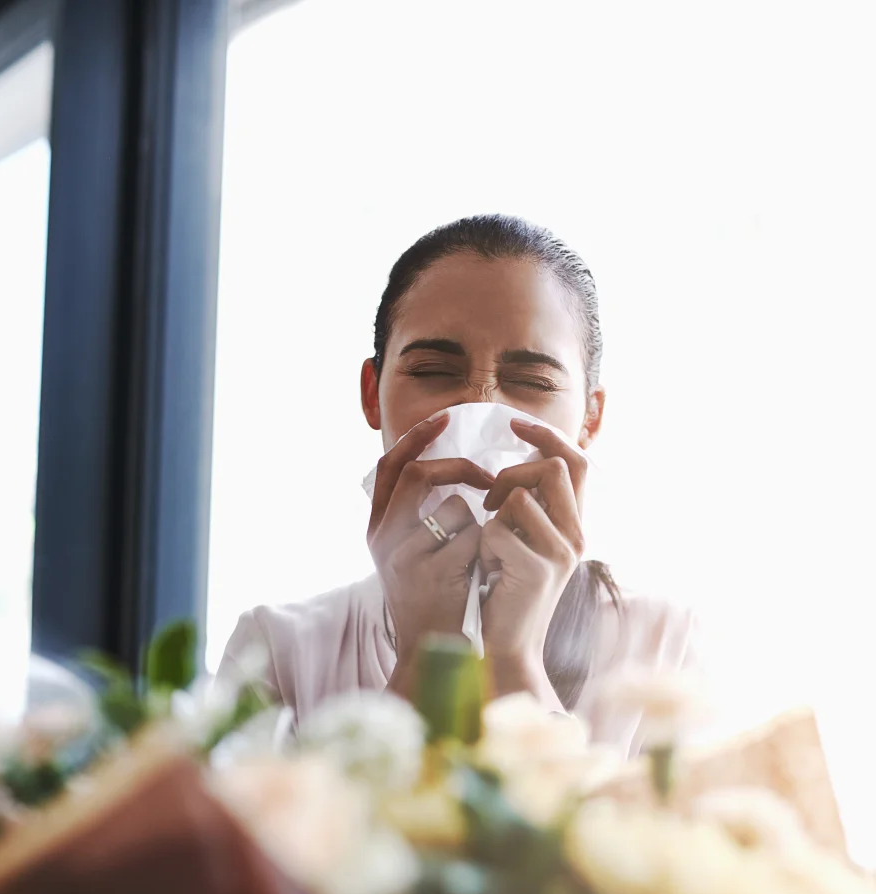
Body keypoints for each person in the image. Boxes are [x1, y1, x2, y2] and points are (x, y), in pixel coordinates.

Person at [219, 214, 699, 756]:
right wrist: (424, 656)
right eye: (432, 371)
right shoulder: (277, 653)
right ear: (373, 394)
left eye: (531, 382)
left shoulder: (665, 655)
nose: (479, 407)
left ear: (590, 417)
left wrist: (515, 657)